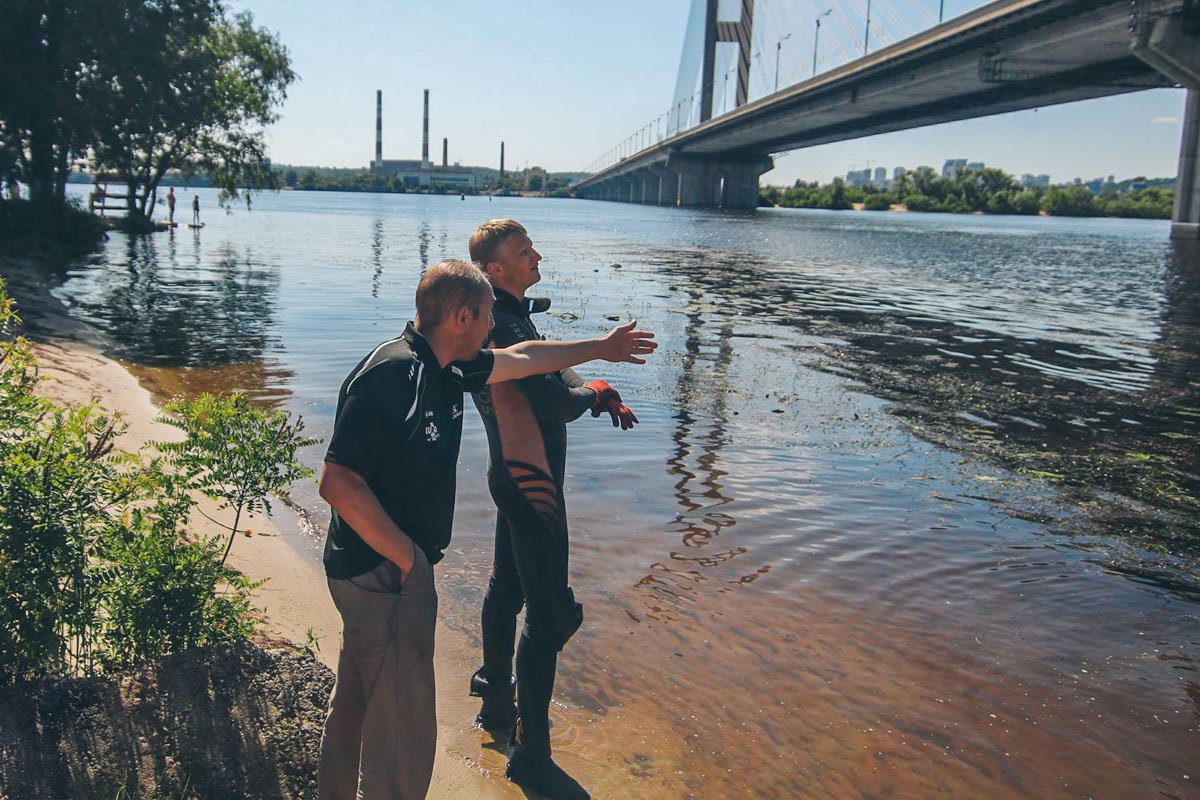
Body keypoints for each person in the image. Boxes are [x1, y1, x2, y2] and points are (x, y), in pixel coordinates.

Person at [317, 259, 655, 800]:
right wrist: (408, 560)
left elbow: (525, 357)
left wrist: (602, 347)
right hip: (380, 574)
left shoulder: (451, 365)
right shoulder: (393, 372)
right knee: (404, 727)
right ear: (462, 315)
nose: (493, 328)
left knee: (357, 700)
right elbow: (337, 482)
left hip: (381, 569)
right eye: (488, 317)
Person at [466, 219, 639, 800]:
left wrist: (589, 379)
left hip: (510, 482)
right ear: (494, 269)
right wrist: (594, 390)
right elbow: (555, 405)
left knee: (504, 591)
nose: (536, 256)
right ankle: (532, 758)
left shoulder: (500, 318)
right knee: (549, 617)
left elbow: (548, 366)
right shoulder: (503, 325)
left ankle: (494, 703)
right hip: (535, 491)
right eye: (523, 252)